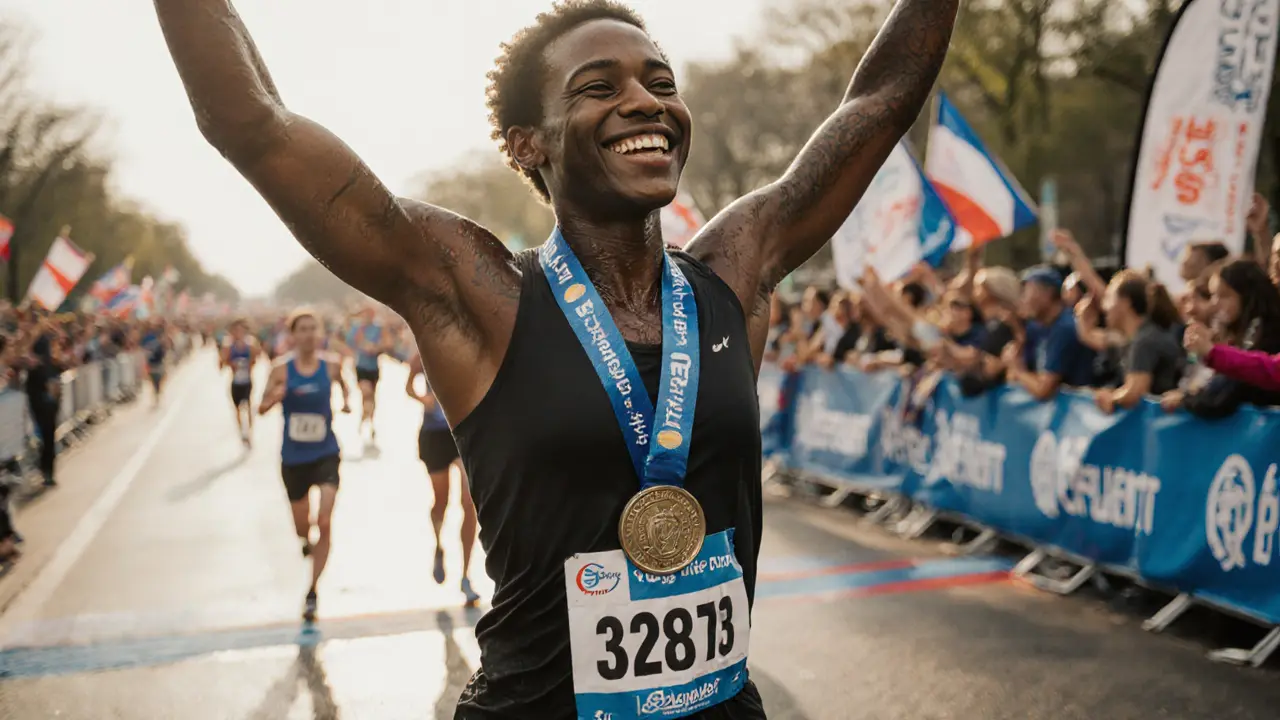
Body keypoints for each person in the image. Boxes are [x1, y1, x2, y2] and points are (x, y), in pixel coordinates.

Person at [153, 0, 957, 714]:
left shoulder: (731, 273)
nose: (645, 101)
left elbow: (880, 101)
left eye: (660, 81)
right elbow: (251, 122)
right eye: (597, 87)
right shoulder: (479, 293)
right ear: (525, 143)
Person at [258, 309, 351, 622]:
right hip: (294, 459)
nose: (309, 334)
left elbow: (343, 386)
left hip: (325, 453)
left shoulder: (332, 365)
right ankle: (303, 539)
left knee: (324, 520)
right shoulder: (281, 369)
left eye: (314, 328)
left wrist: (348, 401)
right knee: (303, 526)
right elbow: (261, 406)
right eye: (303, 329)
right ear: (293, 334)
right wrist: (276, 396)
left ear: (320, 332)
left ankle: (312, 591)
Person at [406, 352, 480, 607]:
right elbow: (408, 386)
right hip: (434, 434)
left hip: (462, 432)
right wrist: (423, 398)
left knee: (469, 502)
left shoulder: (467, 345)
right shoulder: (423, 352)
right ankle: (439, 545)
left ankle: (466, 575)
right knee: (441, 502)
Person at [1092, 271, 1184, 413]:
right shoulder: (1141, 337)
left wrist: (1110, 398)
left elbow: (1135, 393)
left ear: (1125, 302)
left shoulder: (1145, 341)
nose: (1104, 306)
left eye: (1109, 298)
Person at [1002, 266, 1098, 400]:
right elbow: (1015, 379)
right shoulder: (1036, 328)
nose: (1023, 299)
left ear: (1047, 294)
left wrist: (1018, 369)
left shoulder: (1064, 328)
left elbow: (1044, 391)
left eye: (1027, 291)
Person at [346, 307, 389, 443]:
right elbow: (350, 341)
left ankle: (369, 421)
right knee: (366, 393)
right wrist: (364, 346)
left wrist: (376, 348)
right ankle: (364, 416)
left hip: (373, 367)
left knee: (372, 397)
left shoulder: (378, 328)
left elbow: (387, 343)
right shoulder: (358, 328)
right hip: (361, 366)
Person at [221, 318, 260, 445]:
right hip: (235, 381)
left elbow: (256, 357)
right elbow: (222, 362)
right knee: (237, 408)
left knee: (248, 406)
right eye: (235, 330)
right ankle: (241, 432)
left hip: (247, 381)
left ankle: (249, 431)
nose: (238, 332)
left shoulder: (250, 344)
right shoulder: (228, 345)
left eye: (240, 330)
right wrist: (231, 364)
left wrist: (248, 365)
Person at [140, 321, 169, 406]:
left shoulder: (160, 341)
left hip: (158, 363)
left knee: (159, 380)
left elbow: (164, 352)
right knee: (154, 381)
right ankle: (156, 392)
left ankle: (158, 391)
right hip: (152, 364)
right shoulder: (146, 338)